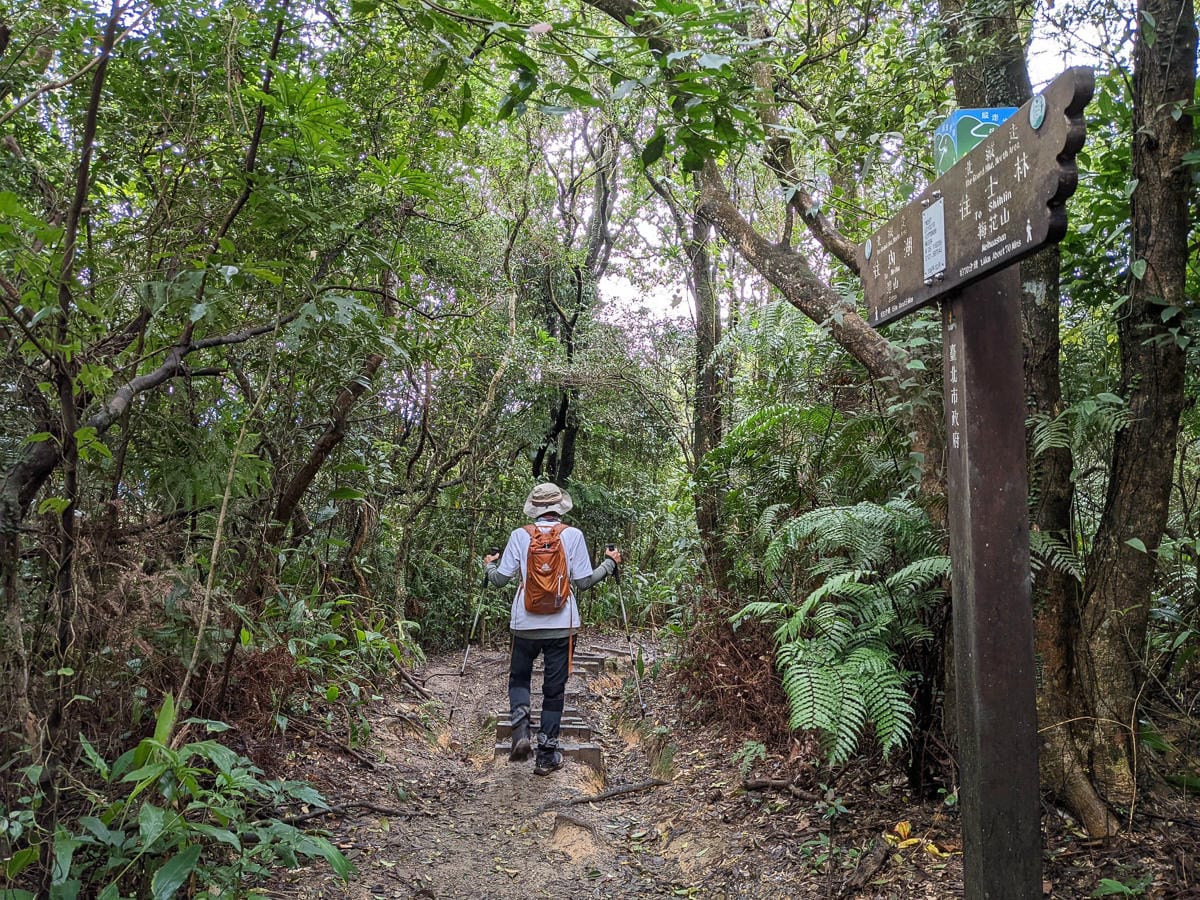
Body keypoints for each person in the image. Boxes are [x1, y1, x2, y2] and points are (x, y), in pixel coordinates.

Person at [483, 482, 621, 775]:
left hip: (524, 624)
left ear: (534, 507)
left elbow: (500, 580)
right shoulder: (573, 535)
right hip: (563, 625)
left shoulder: (520, 536)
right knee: (553, 690)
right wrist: (609, 564)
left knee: (519, 680)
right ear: (560, 507)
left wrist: (488, 567)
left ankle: (521, 733)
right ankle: (547, 754)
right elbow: (583, 581)